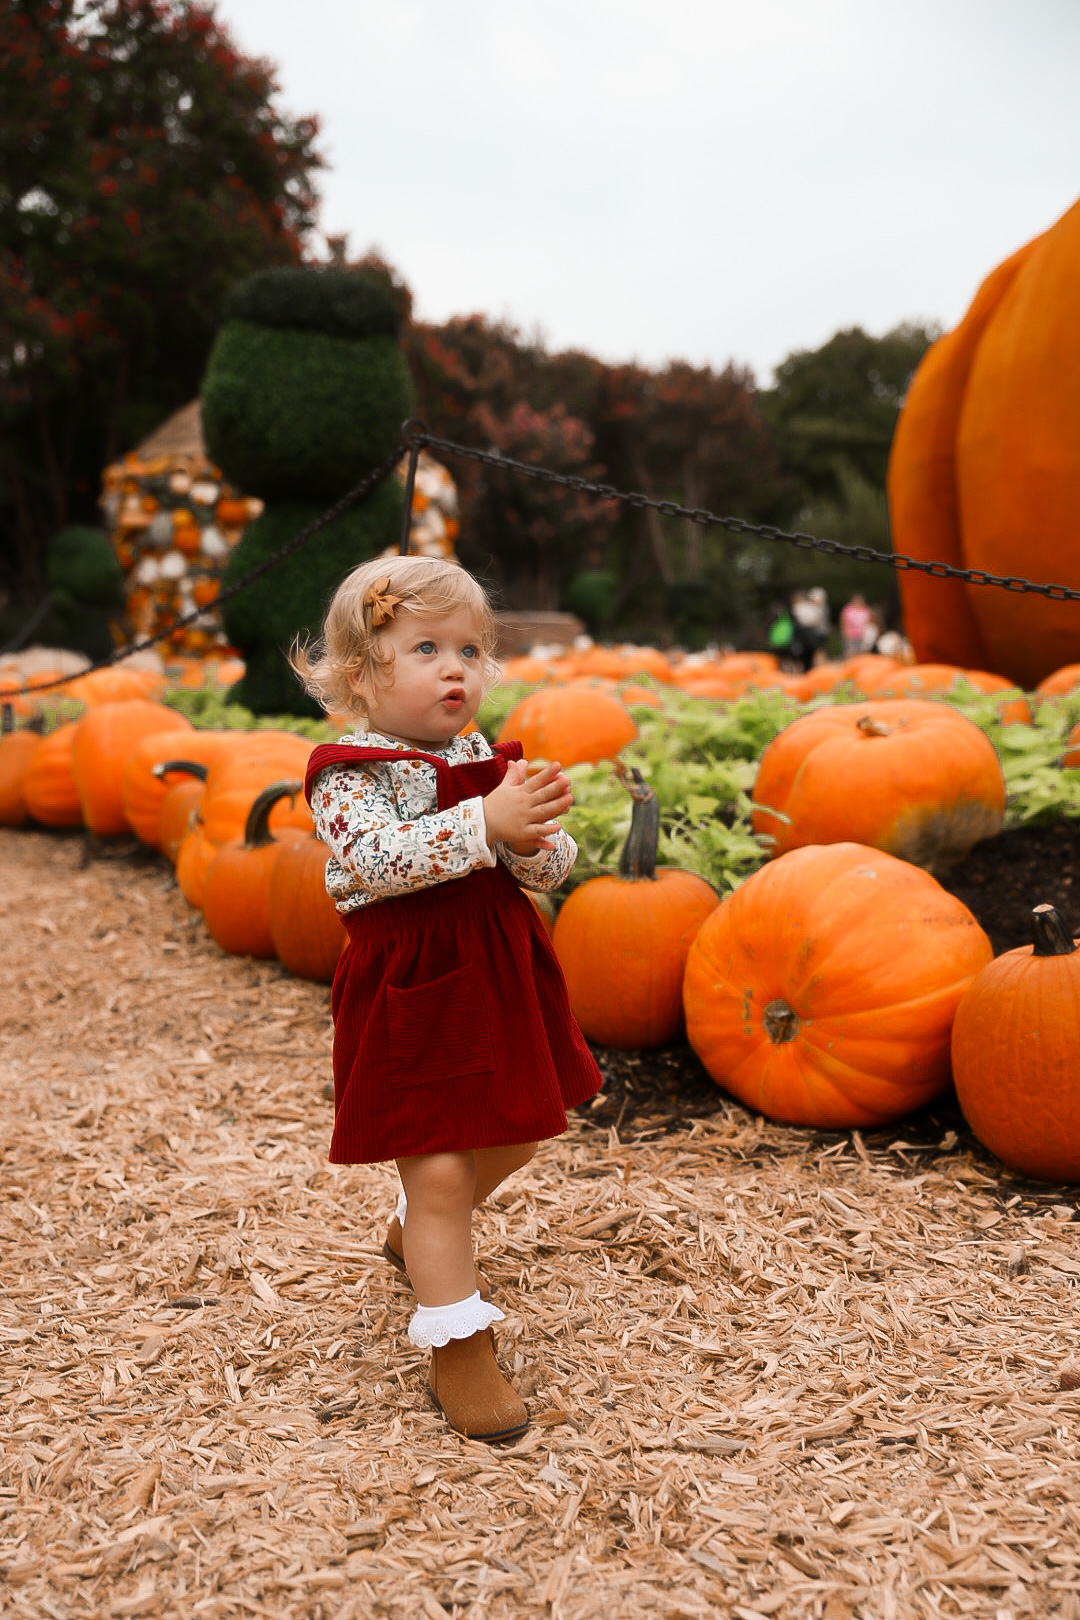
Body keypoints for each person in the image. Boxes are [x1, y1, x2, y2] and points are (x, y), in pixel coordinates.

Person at [292, 556, 602, 1445]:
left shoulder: (479, 756)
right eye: (426, 647)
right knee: (434, 1167)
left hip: (495, 967)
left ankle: (422, 1234)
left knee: (521, 1125)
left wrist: (535, 838)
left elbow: (544, 869)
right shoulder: (343, 775)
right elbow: (375, 863)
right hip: (411, 985)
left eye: (470, 647)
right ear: (361, 674)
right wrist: (482, 824)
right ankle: (458, 1342)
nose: (457, 667)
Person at [839, 592, 874, 658]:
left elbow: (870, 622)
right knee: (850, 651)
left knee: (861, 652)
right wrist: (844, 632)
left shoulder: (866, 609)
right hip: (850, 634)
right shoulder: (848, 609)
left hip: (863, 635)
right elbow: (844, 622)